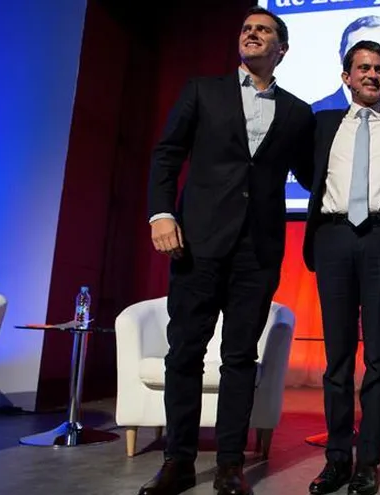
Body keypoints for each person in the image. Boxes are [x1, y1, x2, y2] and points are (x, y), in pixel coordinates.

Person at [142, 6, 314, 495]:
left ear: (282, 49)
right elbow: (167, 153)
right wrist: (161, 214)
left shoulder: (298, 112)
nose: (253, 34)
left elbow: (310, 175)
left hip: (257, 250)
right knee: (186, 352)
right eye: (247, 29)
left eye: (265, 30)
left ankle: (231, 465)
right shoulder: (203, 90)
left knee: (241, 357)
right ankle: (177, 460)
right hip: (197, 243)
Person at [302, 40, 380, 495]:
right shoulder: (323, 123)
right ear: (346, 77)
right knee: (336, 357)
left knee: (377, 355)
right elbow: (307, 172)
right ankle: (337, 457)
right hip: (334, 236)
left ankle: (368, 462)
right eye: (363, 68)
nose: (372, 75)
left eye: (379, 68)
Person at [311, 15, 380, 112]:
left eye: (379, 49)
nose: (369, 58)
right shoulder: (317, 112)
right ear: (342, 56)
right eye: (359, 49)